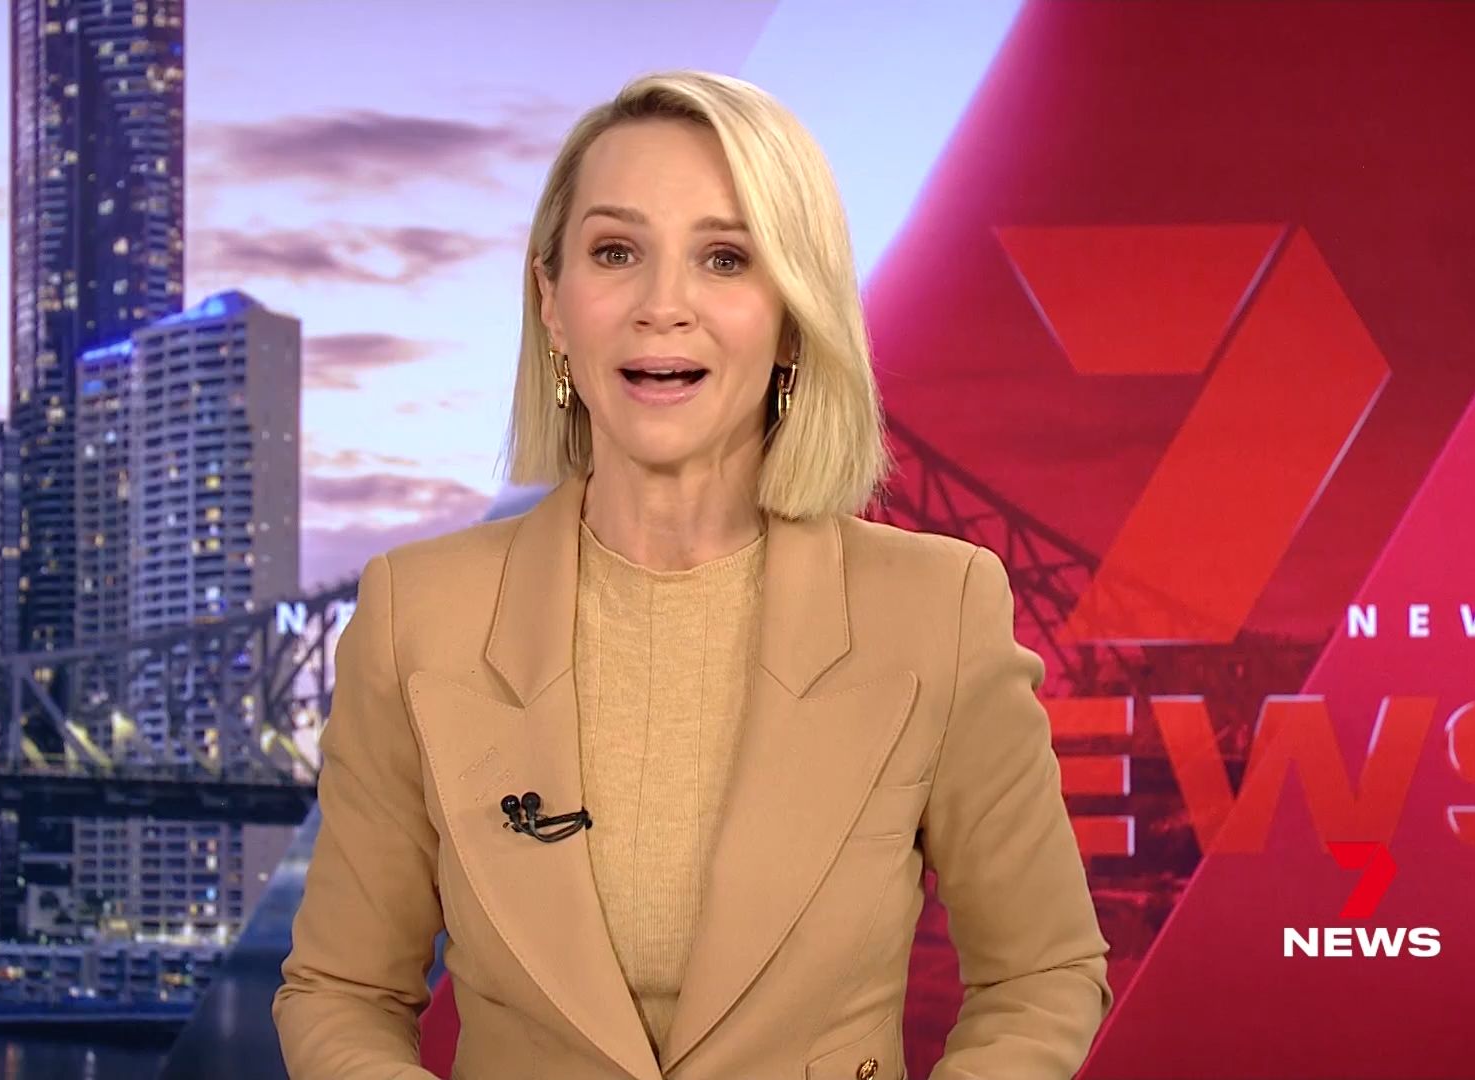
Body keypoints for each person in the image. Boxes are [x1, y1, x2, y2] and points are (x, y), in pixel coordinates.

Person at [272, 69, 1113, 1080]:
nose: (662, 306)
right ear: (551, 303)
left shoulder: (940, 609)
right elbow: (343, 993)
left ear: (794, 316)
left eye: (725, 258)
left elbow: (1042, 977)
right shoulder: (418, 614)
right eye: (615, 253)